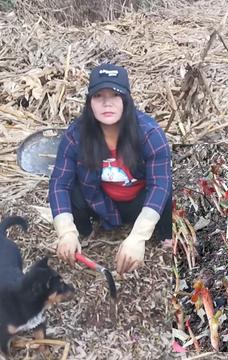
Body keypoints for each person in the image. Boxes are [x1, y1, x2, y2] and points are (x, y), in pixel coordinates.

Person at [48, 63, 173, 275]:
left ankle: (166, 236)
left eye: (115, 95)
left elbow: (160, 186)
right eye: (98, 96)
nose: (107, 103)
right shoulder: (76, 134)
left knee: (169, 194)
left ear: (126, 100)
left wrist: (138, 237)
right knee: (72, 191)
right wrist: (65, 232)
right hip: (100, 200)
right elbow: (59, 183)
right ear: (90, 102)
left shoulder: (149, 133)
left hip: (137, 201)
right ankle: (81, 234)